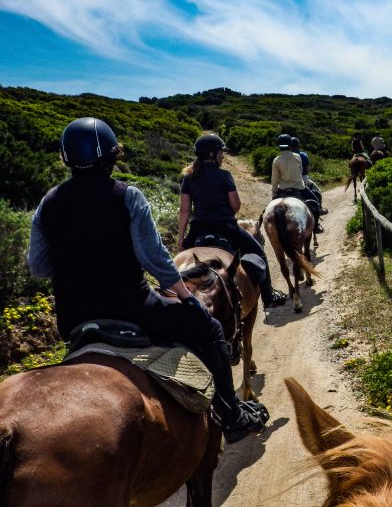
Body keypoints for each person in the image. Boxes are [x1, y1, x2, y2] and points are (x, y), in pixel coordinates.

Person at [27, 117, 268, 444]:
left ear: (66, 159)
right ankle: (232, 415)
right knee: (210, 329)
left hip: (72, 320)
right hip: (134, 310)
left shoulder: (47, 204)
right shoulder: (128, 196)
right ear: (113, 156)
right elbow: (156, 260)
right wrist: (188, 298)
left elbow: (38, 267)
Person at [178, 133, 285, 308]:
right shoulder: (224, 175)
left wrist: (181, 238)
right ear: (212, 154)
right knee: (260, 253)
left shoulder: (188, 178)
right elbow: (235, 205)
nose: (222, 156)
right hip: (226, 228)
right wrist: (225, 213)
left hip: (198, 230)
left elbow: (184, 211)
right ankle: (269, 297)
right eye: (221, 152)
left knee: (179, 264)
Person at [271, 133, 324, 233]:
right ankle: (316, 227)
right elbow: (300, 172)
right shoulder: (297, 157)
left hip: (283, 189)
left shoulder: (276, 160)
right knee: (316, 203)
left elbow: (274, 180)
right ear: (290, 145)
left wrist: (274, 193)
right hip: (299, 188)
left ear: (279, 146)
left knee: (271, 208)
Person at [289, 136, 327, 215]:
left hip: (288, 180)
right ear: (298, 145)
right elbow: (307, 169)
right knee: (318, 191)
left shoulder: (286, 156)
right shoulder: (303, 155)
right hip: (303, 178)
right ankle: (319, 209)